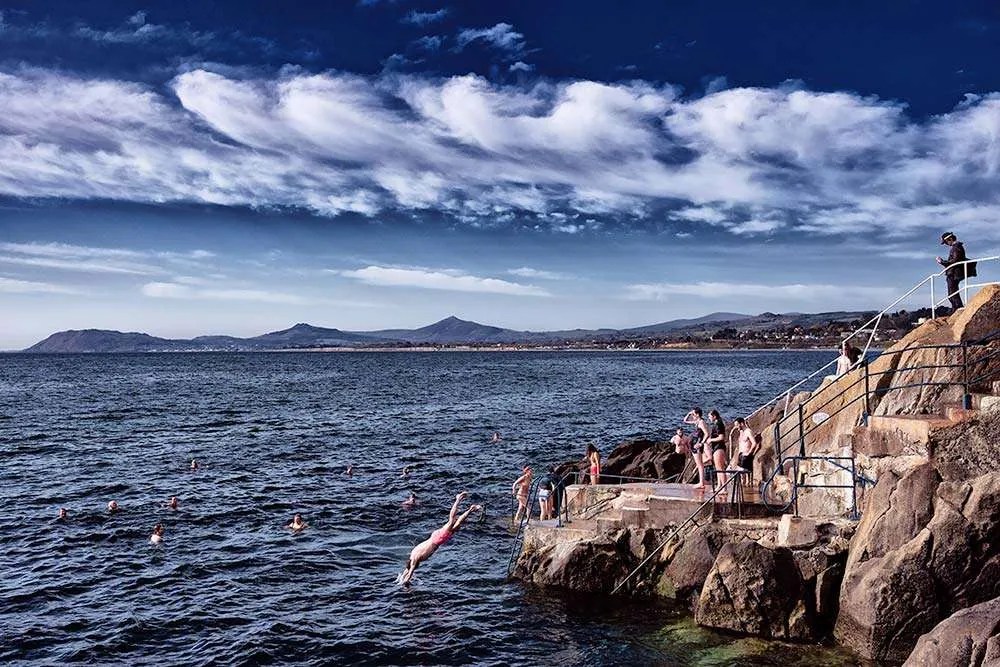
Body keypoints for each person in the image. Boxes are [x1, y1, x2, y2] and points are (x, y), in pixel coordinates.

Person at [397, 491, 482, 585]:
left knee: (451, 520)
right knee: (457, 524)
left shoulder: (415, 559)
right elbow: (407, 570)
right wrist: (402, 578)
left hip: (437, 539)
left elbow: (410, 572)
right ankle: (471, 509)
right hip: (437, 539)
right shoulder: (412, 556)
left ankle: (458, 499)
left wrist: (404, 583)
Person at [937, 231, 972, 311]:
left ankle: (958, 309)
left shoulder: (956, 247)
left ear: (950, 239)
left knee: (952, 294)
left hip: (954, 273)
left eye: (945, 242)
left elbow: (955, 261)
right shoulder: (956, 247)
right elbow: (955, 260)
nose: (946, 244)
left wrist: (942, 262)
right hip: (953, 273)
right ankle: (956, 309)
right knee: (952, 294)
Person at [683, 408, 711, 489]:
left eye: (694, 414)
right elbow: (685, 420)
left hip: (697, 444)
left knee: (700, 464)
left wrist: (701, 443)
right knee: (698, 464)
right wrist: (689, 413)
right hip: (694, 443)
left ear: (698, 414)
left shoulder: (701, 422)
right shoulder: (697, 422)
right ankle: (701, 482)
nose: (693, 416)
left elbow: (706, 433)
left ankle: (701, 483)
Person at [729, 417, 759, 486]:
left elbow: (754, 443)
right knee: (742, 477)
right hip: (741, 455)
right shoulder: (741, 432)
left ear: (741, 423)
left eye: (737, 425)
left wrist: (749, 453)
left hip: (746, 455)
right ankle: (743, 491)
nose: (736, 427)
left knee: (743, 474)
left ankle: (746, 490)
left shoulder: (748, 432)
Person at [707, 410, 729, 489]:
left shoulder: (718, 424)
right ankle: (719, 485)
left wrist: (711, 440)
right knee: (717, 468)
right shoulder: (716, 424)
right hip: (716, 447)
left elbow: (721, 437)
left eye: (710, 416)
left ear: (714, 416)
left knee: (720, 468)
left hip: (719, 447)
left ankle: (724, 488)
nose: (709, 418)